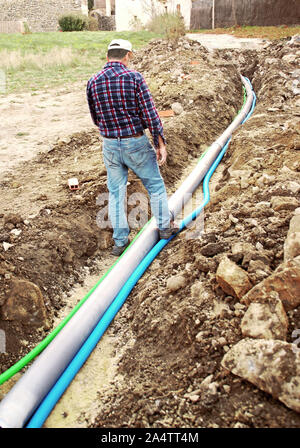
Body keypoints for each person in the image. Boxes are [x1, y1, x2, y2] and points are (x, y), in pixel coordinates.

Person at [87, 39, 179, 256]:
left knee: (116, 193)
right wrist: (159, 142)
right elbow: (150, 114)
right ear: (127, 55)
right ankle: (165, 227)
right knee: (155, 185)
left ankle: (120, 243)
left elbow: (95, 118)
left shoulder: (93, 81)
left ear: (107, 56)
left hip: (109, 144)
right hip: (135, 142)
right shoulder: (134, 77)